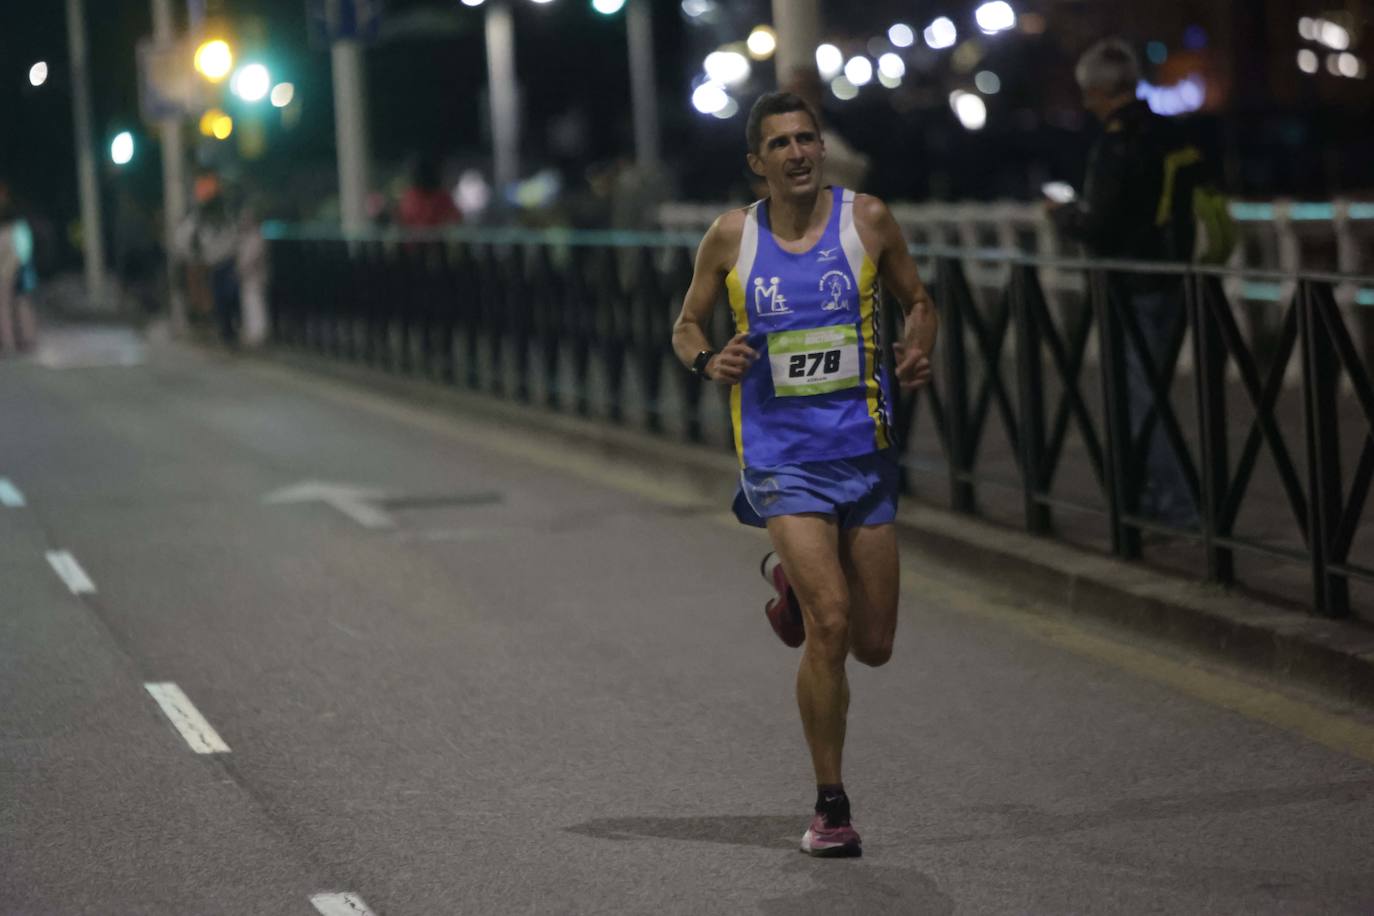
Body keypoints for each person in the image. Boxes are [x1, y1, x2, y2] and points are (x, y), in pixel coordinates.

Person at [671, 92, 937, 858]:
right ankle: (831, 806)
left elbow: (920, 302)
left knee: (875, 643)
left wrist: (920, 345)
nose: (798, 153)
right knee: (830, 623)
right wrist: (706, 359)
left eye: (807, 139)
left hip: (864, 455)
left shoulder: (869, 221)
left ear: (822, 149)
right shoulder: (731, 237)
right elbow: (686, 322)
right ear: (757, 162)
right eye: (781, 143)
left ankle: (791, 581)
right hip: (781, 460)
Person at [1049, 38, 1200, 529]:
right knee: (1150, 391)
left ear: (1098, 89)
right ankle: (1155, 497)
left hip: (1130, 282)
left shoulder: (1118, 142)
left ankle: (1175, 503)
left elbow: (1103, 224)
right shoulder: (1169, 133)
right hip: (1172, 275)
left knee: (1141, 398)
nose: (1086, 100)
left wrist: (1064, 215)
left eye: (1088, 91)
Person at [177, 170, 242, 347]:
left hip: (227, 263)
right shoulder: (198, 221)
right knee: (217, 300)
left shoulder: (227, 218)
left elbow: (235, 238)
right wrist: (195, 258)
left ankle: (231, 329)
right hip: (210, 265)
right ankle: (223, 330)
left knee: (230, 297)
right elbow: (185, 241)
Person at [0, 180, 39, 356]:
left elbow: (20, 246)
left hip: (14, 267)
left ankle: (23, 339)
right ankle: (11, 341)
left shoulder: (13, 216)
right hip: (10, 267)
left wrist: (12, 267)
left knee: (20, 303)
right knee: (8, 305)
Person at [397, 155, 462, 230]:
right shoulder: (410, 197)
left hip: (438, 240)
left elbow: (456, 219)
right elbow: (402, 222)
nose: (425, 178)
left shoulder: (443, 197)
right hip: (413, 240)